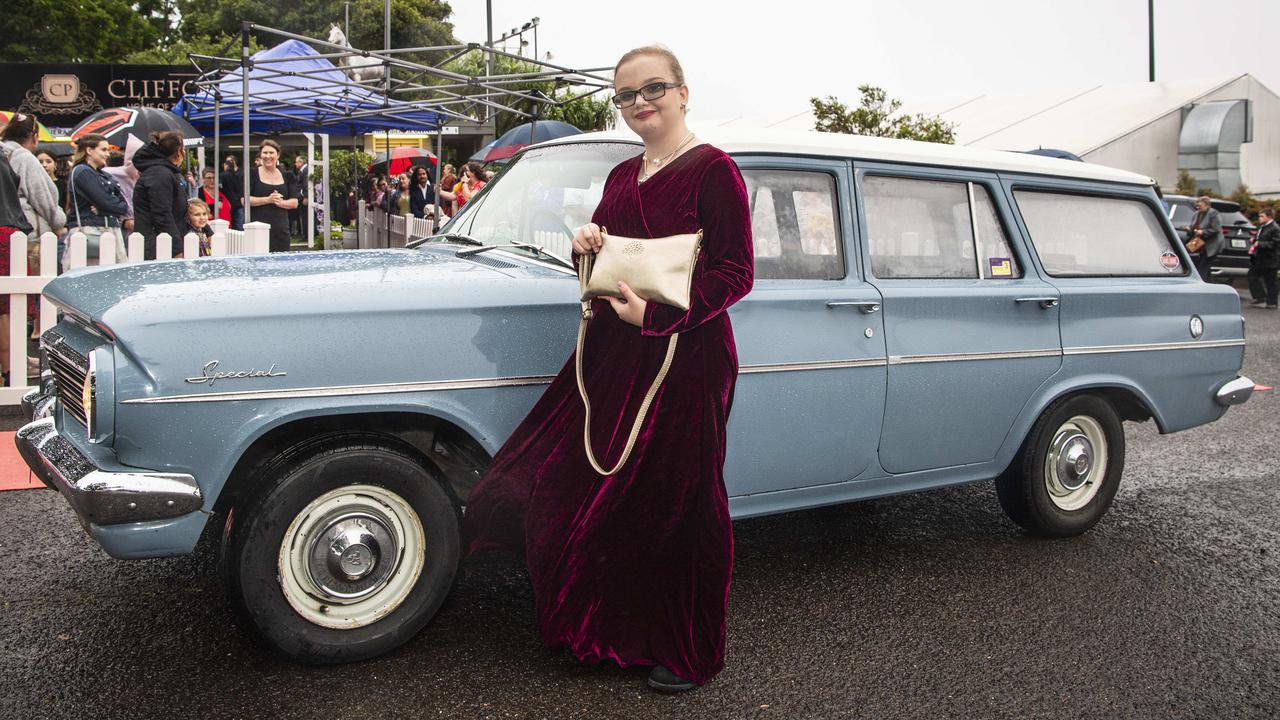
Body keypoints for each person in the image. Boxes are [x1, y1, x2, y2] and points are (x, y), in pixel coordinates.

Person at [462, 45, 753, 694]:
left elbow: (736, 274)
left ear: (683, 91)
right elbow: (606, 268)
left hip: (688, 357)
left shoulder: (715, 172)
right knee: (586, 491)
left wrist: (656, 319)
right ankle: (599, 633)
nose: (639, 103)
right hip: (614, 355)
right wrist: (582, 249)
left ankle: (685, 650)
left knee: (678, 505)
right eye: (625, 95)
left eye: (653, 88)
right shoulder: (622, 177)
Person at [64, 133, 128, 270]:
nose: (108, 154)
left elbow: (124, 206)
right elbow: (105, 201)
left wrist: (103, 209)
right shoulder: (82, 171)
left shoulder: (104, 175)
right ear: (89, 150)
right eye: (104, 150)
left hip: (107, 229)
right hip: (92, 229)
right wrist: (107, 206)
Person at [0, 114, 66, 240]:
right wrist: (57, 221)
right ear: (34, 136)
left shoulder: (2, 153)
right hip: (24, 228)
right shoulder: (25, 158)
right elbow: (42, 197)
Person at [131, 131, 188, 259]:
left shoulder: (163, 172)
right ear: (178, 152)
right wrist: (177, 249)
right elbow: (162, 213)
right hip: (158, 248)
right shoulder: (160, 173)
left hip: (161, 245)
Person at [247, 139, 297, 252]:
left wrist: (280, 202)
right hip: (258, 230)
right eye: (265, 153)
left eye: (271, 152)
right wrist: (268, 200)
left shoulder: (288, 176)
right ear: (260, 155)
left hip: (281, 230)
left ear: (278, 155)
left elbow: (294, 203)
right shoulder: (251, 174)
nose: (268, 156)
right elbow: (244, 200)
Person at [1186, 195, 1223, 281]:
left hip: (1211, 243)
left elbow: (1216, 229)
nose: (1198, 207)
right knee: (1189, 256)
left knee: (1204, 265)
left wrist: (1203, 232)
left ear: (1207, 205)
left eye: (1200, 205)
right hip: (1198, 240)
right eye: (1197, 205)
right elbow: (1193, 226)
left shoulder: (1213, 213)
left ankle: (1201, 282)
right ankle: (1209, 282)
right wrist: (1189, 229)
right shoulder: (1196, 214)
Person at [1248, 207, 1279, 308]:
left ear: (1269, 217)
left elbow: (1275, 244)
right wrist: (1254, 240)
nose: (1259, 218)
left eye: (1262, 216)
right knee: (1252, 275)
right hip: (1259, 257)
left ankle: (1272, 302)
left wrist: (1260, 244)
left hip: (1270, 258)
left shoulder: (1275, 228)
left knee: (1270, 280)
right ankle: (1259, 296)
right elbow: (1259, 238)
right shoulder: (1262, 227)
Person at [221, 155, 244, 230]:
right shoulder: (239, 175)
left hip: (228, 202)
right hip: (238, 203)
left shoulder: (223, 175)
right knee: (239, 226)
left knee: (228, 225)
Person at [289, 155, 308, 235]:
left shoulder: (306, 171)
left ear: (301, 162)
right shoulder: (302, 171)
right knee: (303, 216)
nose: (295, 164)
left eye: (296, 162)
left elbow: (306, 184)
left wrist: (306, 196)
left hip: (304, 197)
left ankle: (307, 234)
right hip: (301, 196)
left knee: (305, 216)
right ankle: (305, 233)